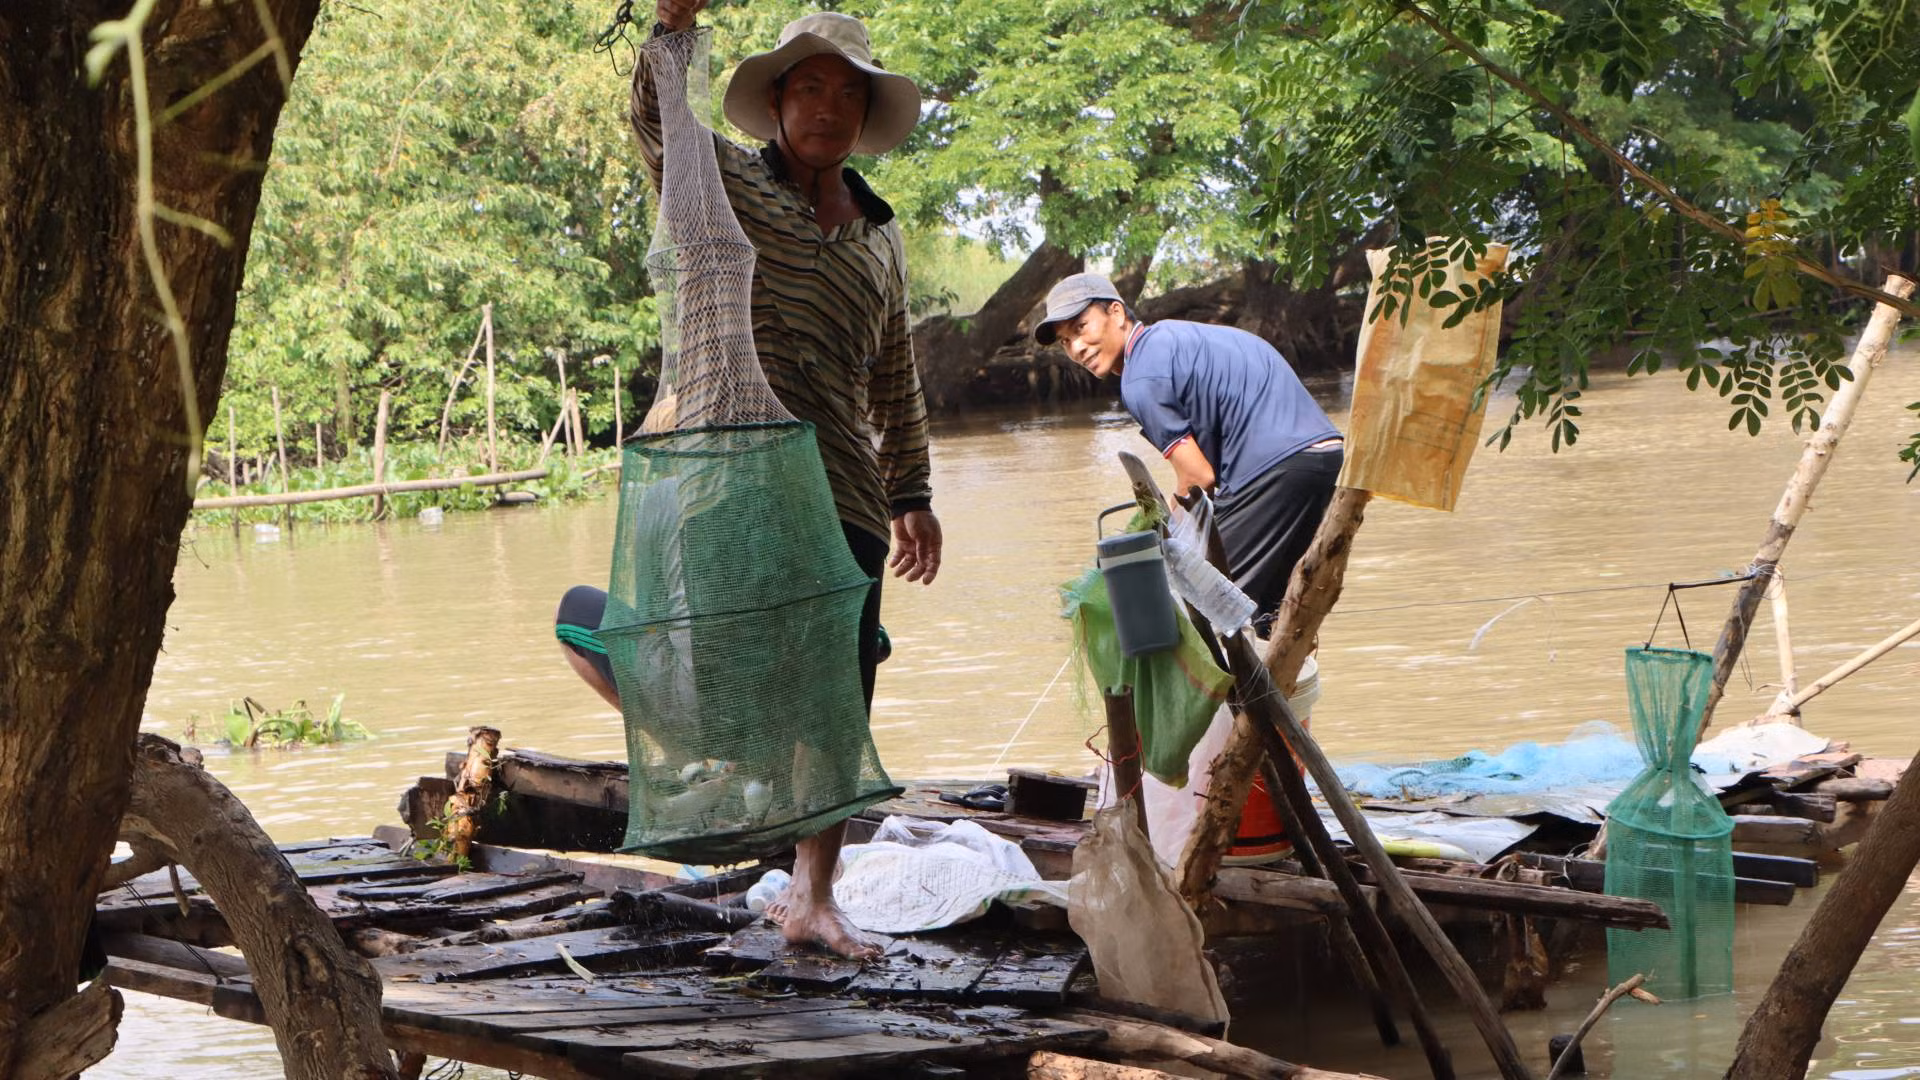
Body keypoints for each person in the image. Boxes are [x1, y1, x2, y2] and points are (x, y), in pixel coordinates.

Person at [555, 2, 942, 959]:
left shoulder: (884, 240)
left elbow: (893, 376)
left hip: (843, 489)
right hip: (729, 472)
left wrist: (913, 493)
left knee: (840, 694)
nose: (828, 107)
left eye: (847, 93)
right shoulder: (725, 180)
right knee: (718, 664)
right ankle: (695, 750)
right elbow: (658, 124)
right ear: (776, 104)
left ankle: (815, 899)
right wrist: (672, 34)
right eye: (810, 87)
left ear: (863, 116)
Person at [1035, 272, 1340, 634]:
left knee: (1200, 604)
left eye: (1082, 327)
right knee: (1268, 614)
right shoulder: (1174, 337)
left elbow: (1198, 478)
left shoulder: (1140, 378)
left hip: (1275, 468)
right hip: (1324, 454)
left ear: (1116, 312)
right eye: (1066, 342)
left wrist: (1165, 532)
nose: (1077, 349)